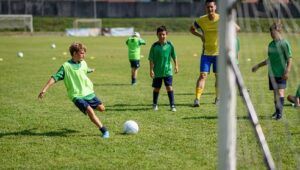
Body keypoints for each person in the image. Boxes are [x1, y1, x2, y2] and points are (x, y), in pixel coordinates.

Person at [38, 42, 110, 138]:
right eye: (81, 53)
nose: (84, 55)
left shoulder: (83, 63)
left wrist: (90, 70)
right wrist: (44, 90)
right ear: (74, 53)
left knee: (102, 108)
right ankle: (104, 131)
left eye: (84, 53)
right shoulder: (66, 66)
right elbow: (54, 78)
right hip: (76, 95)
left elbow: (83, 70)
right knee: (90, 111)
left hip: (88, 92)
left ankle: (89, 109)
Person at [252, 22, 292, 120]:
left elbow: (289, 58)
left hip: (282, 73)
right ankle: (277, 111)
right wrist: (258, 66)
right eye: (270, 32)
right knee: (275, 95)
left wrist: (287, 71)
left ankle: (280, 114)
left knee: (280, 93)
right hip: (272, 73)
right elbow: (269, 59)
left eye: (273, 32)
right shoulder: (271, 44)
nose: (271, 34)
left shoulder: (285, 43)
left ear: (278, 31)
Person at [190, 0, 219, 107]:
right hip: (206, 53)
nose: (210, 9)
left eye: (211, 7)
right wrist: (201, 36)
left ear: (215, 7)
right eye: (208, 7)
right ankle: (197, 99)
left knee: (218, 77)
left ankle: (218, 97)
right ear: (205, 8)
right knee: (202, 75)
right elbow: (192, 29)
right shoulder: (201, 20)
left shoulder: (221, 19)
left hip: (219, 54)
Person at [148, 25, 178, 112]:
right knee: (157, 88)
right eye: (160, 34)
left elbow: (174, 56)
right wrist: (151, 70)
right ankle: (154, 104)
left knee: (169, 87)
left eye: (163, 34)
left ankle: (172, 105)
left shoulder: (170, 45)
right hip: (158, 71)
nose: (162, 36)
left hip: (168, 71)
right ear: (157, 35)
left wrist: (176, 65)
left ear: (167, 34)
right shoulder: (154, 46)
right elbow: (151, 59)